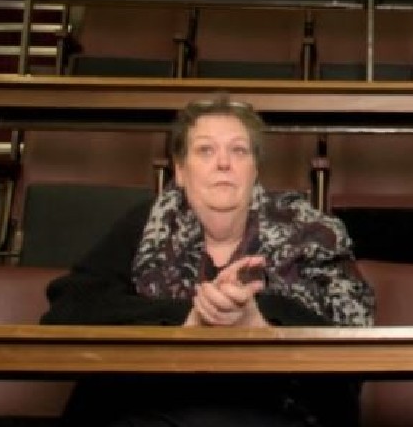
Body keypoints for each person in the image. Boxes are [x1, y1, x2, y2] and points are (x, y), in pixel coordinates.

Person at [42, 96, 375, 427]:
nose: (224, 163)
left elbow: (354, 343)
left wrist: (262, 326)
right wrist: (187, 320)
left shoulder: (313, 231)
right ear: (181, 170)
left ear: (254, 169)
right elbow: (69, 309)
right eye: (205, 150)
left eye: (239, 151)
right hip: (155, 403)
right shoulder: (147, 224)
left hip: (277, 408)